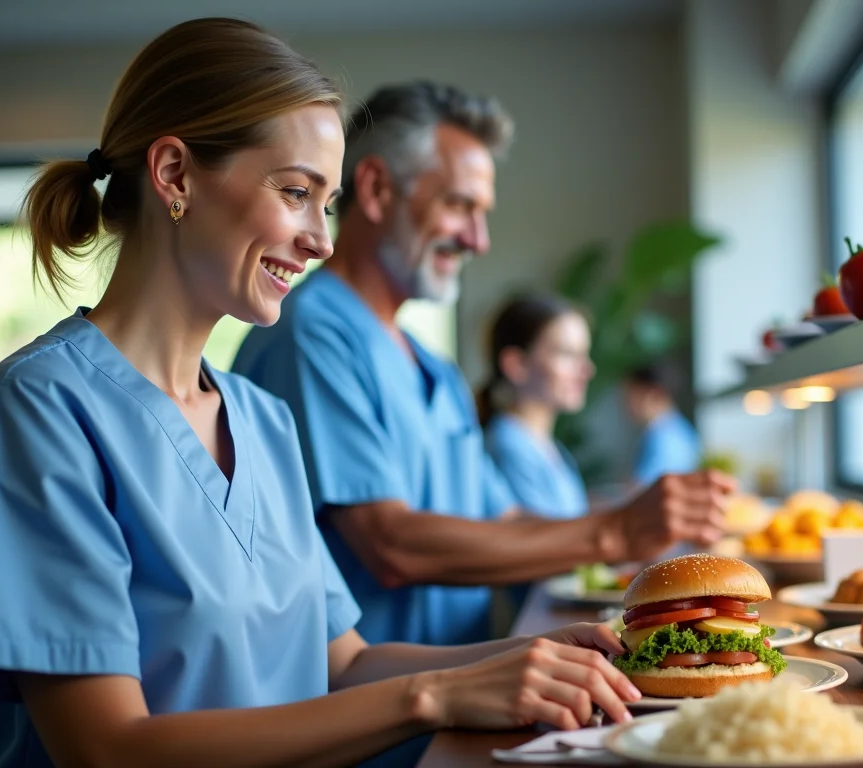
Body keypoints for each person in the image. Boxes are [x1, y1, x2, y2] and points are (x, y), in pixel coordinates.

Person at [0, 20, 645, 768]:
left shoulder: (262, 422)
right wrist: (436, 696)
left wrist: (540, 650)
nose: (321, 240)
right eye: (296, 192)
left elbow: (344, 664)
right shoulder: (35, 416)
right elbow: (108, 749)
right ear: (175, 175)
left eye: (325, 204)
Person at [232, 80, 735, 651]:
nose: (478, 239)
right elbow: (391, 545)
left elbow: (505, 521)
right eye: (459, 205)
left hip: (466, 692)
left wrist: (642, 515)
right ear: (374, 189)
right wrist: (615, 531)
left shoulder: (434, 368)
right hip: (376, 720)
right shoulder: (311, 334)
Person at [478, 294, 593, 521]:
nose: (587, 370)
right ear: (516, 364)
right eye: (567, 354)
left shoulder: (548, 447)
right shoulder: (509, 447)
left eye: (585, 354)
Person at [624, 362, 704, 487]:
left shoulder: (662, 439)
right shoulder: (682, 429)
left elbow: (642, 492)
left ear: (652, 394)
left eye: (631, 395)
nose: (626, 404)